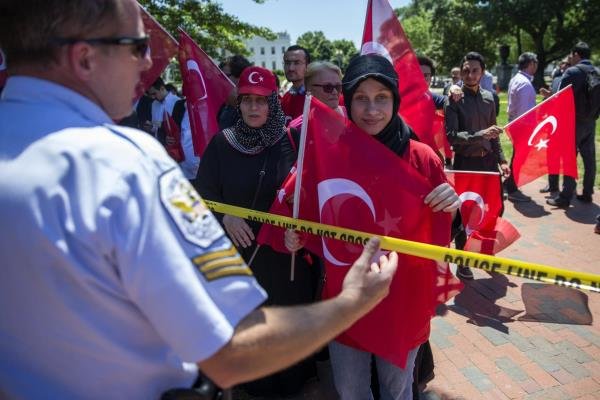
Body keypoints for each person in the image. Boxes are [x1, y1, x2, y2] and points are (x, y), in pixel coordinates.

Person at [0, 2, 400, 399]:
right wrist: (352, 302)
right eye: (138, 47)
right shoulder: (125, 166)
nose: (147, 66)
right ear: (84, 58)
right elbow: (230, 349)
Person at [286, 54, 460, 400]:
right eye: (360, 98)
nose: (371, 109)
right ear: (347, 101)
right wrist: (295, 237)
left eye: (381, 97)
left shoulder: (422, 157)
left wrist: (452, 207)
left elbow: (445, 232)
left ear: (395, 100)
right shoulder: (329, 154)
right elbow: (308, 214)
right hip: (346, 299)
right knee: (351, 391)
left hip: (403, 303)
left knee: (397, 391)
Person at [193, 65, 321, 397]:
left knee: (287, 322)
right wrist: (226, 218)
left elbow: (307, 197)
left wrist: (301, 235)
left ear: (273, 103)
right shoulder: (222, 143)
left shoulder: (292, 141)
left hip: (284, 257)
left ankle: (293, 381)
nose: (253, 108)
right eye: (247, 100)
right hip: (240, 256)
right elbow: (202, 192)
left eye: (261, 101)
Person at [445, 51, 509, 280]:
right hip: (466, 163)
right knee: (466, 212)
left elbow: (494, 134)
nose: (470, 74)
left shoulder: (490, 98)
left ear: (482, 72)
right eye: (466, 70)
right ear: (461, 71)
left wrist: (501, 158)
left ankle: (485, 251)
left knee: (495, 207)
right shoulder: (454, 99)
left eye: (475, 70)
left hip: (489, 163)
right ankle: (463, 261)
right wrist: (480, 134)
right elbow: (452, 136)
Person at [547, 42, 597, 207]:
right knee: (589, 160)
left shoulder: (572, 71)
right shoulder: (597, 71)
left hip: (572, 123)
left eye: (571, 55)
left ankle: (565, 197)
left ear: (576, 54)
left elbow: (558, 97)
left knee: (569, 159)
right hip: (590, 121)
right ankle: (588, 193)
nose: (570, 58)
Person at [504, 52, 539, 203]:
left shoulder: (517, 79)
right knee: (519, 158)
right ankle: (511, 188)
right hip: (522, 126)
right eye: (535, 63)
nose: (536, 66)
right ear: (531, 64)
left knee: (517, 157)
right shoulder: (524, 83)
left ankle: (509, 185)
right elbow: (525, 113)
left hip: (516, 124)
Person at [289, 60, 345, 130]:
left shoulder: (353, 118)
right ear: (309, 90)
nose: (335, 92)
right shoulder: (297, 129)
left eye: (338, 86)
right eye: (327, 87)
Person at [218, 54, 252, 130]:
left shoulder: (252, 111)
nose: (219, 80)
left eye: (224, 76)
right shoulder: (223, 107)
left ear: (240, 78)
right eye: (219, 76)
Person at [281, 45, 310, 123]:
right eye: (287, 63)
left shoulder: (318, 97)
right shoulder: (285, 98)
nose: (291, 68)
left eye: (297, 63)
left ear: (307, 66)